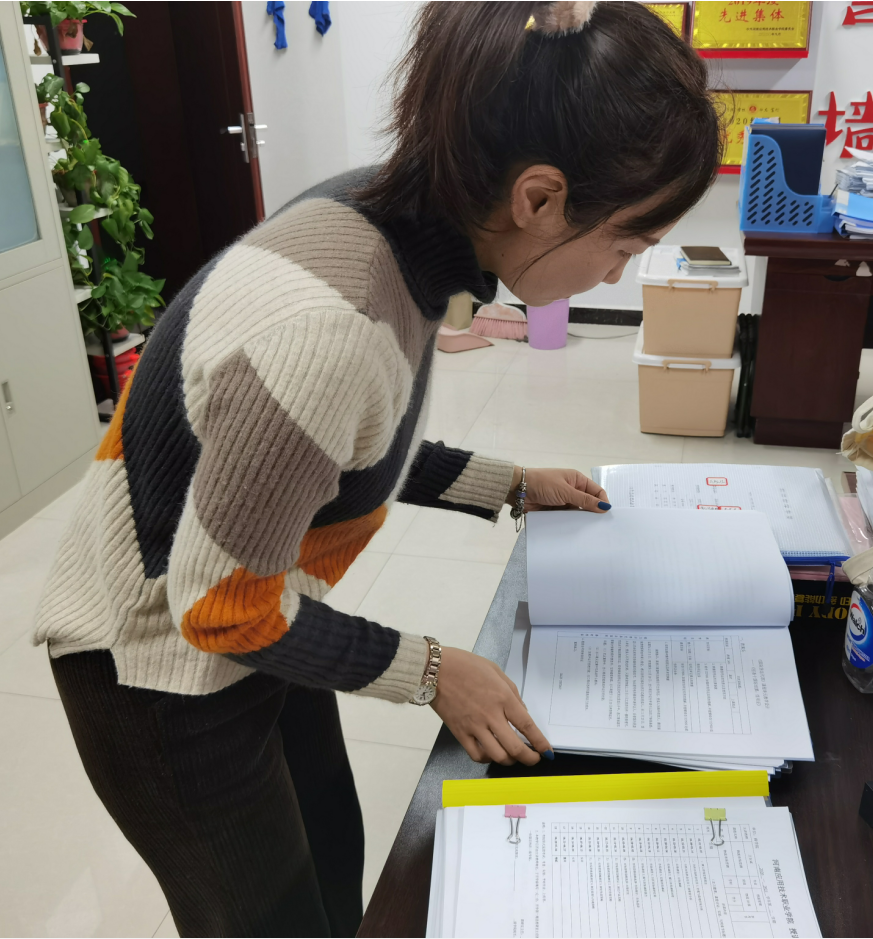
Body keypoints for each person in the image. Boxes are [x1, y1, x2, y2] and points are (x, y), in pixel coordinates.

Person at [34, 2, 721, 935]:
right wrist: (434, 671)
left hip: (257, 596)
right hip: (158, 663)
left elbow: (344, 442)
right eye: (626, 245)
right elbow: (219, 607)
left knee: (332, 852)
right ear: (539, 198)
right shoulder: (335, 318)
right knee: (270, 918)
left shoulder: (398, 224)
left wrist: (510, 482)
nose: (615, 278)